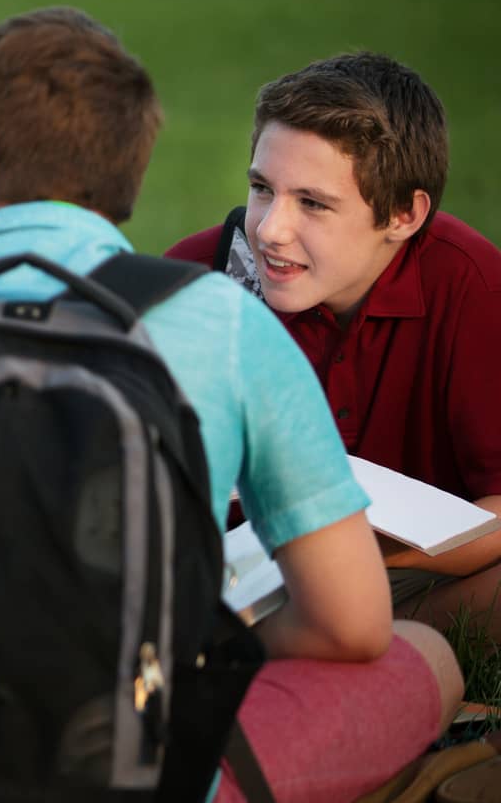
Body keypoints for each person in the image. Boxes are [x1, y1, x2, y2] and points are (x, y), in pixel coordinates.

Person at [0, 10, 463, 803]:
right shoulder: (222, 322)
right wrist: (189, 650)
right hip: (120, 787)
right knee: (421, 654)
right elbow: (354, 622)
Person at [165, 53, 501, 637]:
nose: (269, 229)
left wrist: (354, 564)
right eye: (262, 189)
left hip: (413, 579)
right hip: (230, 589)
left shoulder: (470, 283)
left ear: (404, 213)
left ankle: (384, 649)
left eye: (313, 204)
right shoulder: (199, 278)